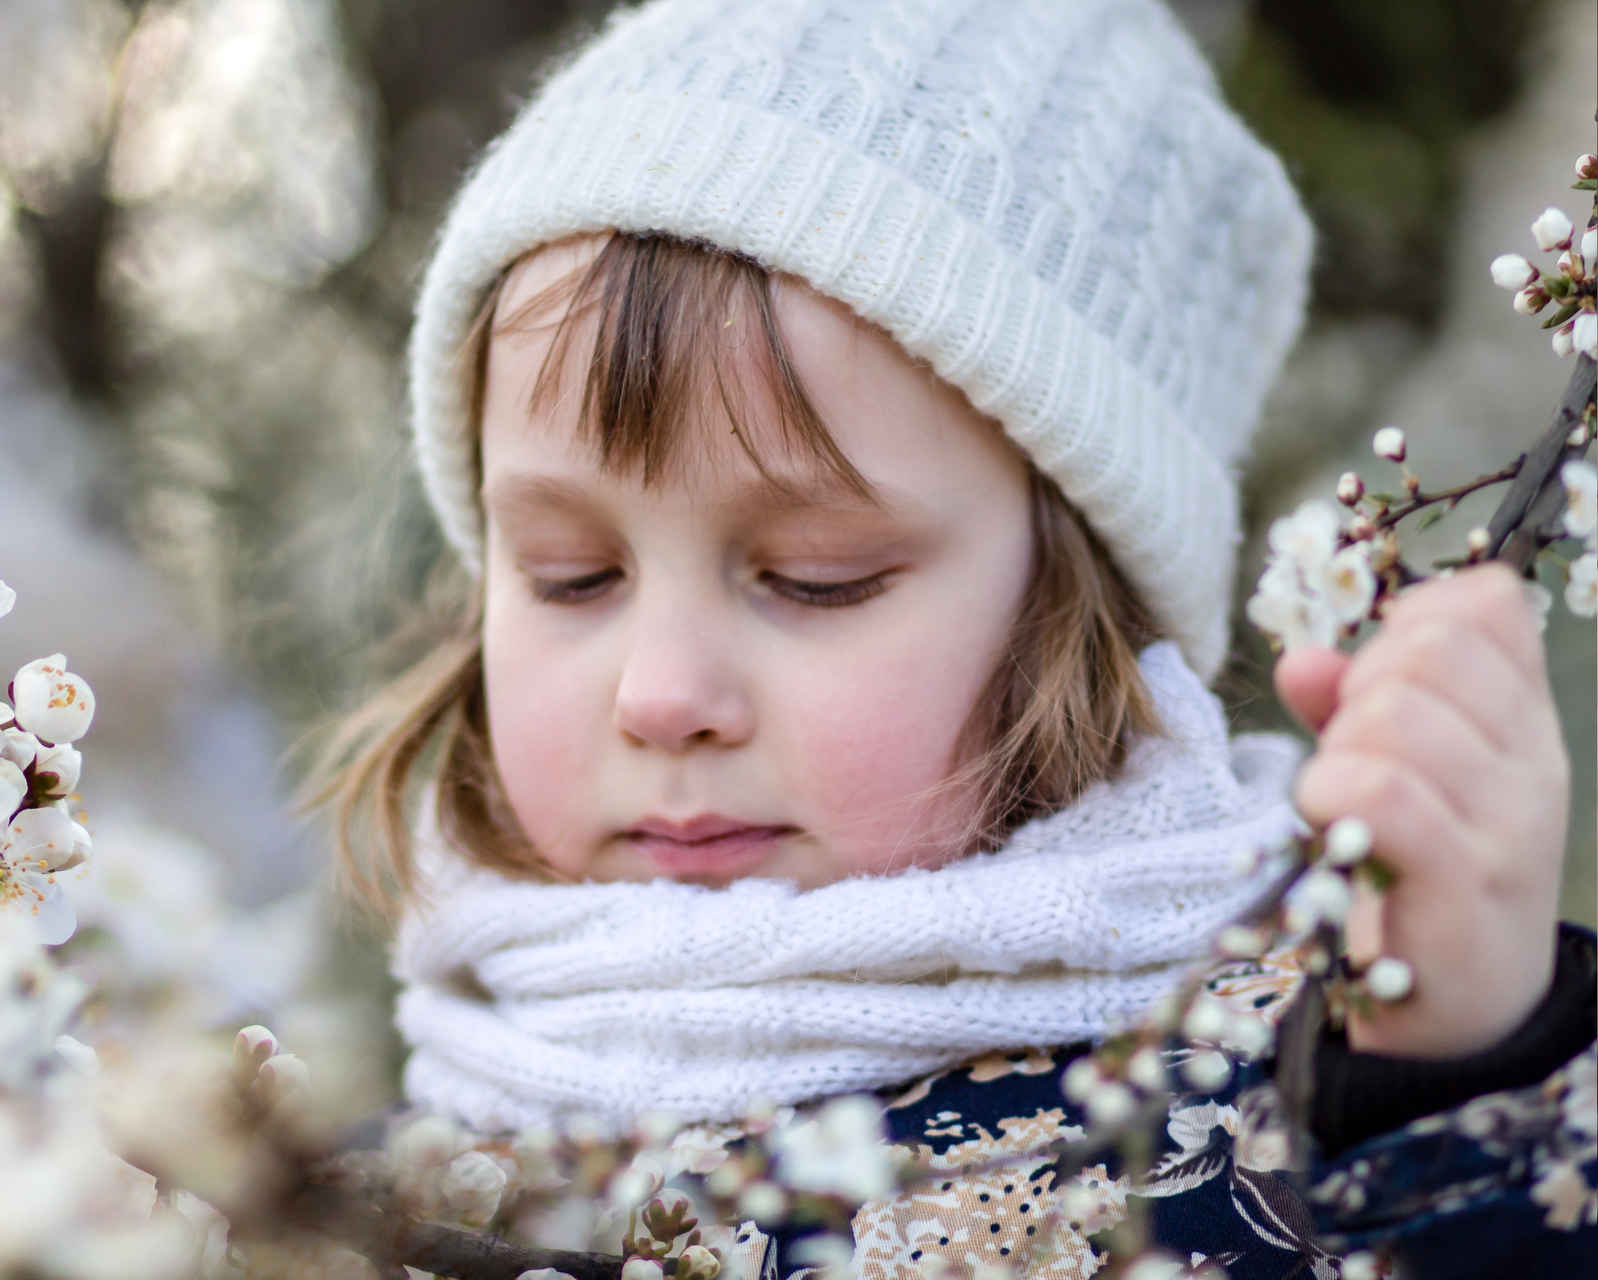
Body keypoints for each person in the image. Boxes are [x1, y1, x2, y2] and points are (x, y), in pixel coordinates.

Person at [314, 0, 1598, 1273]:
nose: (661, 694)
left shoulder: (1303, 1093)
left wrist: (1453, 1069)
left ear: (1086, 607)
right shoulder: (358, 1183)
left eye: (817, 578)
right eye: (572, 575)